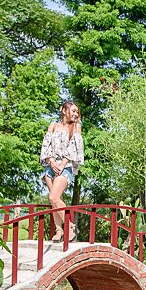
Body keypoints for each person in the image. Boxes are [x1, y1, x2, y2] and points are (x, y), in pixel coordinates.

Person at [39, 101, 84, 242]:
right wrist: (51, 162)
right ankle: (59, 231)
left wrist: (62, 164)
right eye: (73, 110)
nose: (76, 114)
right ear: (63, 110)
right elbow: (46, 145)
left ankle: (70, 226)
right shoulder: (53, 126)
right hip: (50, 166)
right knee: (55, 200)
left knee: (53, 197)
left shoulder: (76, 127)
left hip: (65, 167)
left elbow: (74, 148)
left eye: (77, 112)